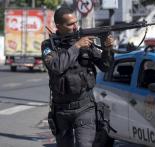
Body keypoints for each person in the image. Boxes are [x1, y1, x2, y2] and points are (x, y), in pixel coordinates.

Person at [41, 7, 114, 147]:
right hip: (61, 111)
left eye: (76, 22)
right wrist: (76, 46)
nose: (75, 26)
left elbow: (105, 66)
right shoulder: (48, 45)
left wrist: (108, 49)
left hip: (84, 107)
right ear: (58, 26)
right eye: (70, 24)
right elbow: (56, 66)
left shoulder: (86, 43)